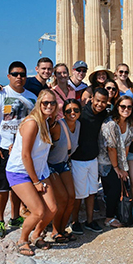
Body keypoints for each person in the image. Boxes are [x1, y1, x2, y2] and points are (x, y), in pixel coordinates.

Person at [0, 61, 36, 239]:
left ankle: (15, 217)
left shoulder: (32, 97)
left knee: (18, 185)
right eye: (15, 74)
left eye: (22, 74)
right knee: (2, 186)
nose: (19, 77)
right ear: (8, 76)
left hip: (22, 149)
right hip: (4, 148)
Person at [5, 89, 58, 255]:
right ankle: (23, 240)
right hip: (20, 172)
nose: (49, 106)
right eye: (45, 103)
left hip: (40, 170)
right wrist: (35, 182)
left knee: (52, 209)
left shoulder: (46, 121)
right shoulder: (32, 123)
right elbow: (25, 155)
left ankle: (36, 235)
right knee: (38, 211)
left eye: (52, 103)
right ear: (39, 104)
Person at [70, 88, 109, 235]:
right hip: (78, 159)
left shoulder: (103, 114)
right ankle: (75, 222)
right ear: (92, 98)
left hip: (93, 158)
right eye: (98, 100)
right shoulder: (81, 114)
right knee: (78, 194)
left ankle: (90, 221)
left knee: (92, 191)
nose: (100, 104)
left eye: (103, 102)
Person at [98, 96, 133, 228]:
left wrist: (123, 167)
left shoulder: (129, 123)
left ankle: (116, 212)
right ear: (117, 107)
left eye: (129, 107)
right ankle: (109, 217)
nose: (126, 109)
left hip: (118, 161)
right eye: (123, 106)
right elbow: (111, 148)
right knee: (114, 188)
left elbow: (127, 144)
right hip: (106, 162)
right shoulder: (110, 124)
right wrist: (117, 168)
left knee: (121, 184)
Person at [48, 99, 81, 242]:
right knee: (62, 199)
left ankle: (62, 229)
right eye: (68, 111)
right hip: (50, 166)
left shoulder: (78, 125)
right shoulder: (57, 127)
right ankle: (55, 231)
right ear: (64, 113)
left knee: (71, 197)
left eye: (76, 110)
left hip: (63, 164)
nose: (72, 113)